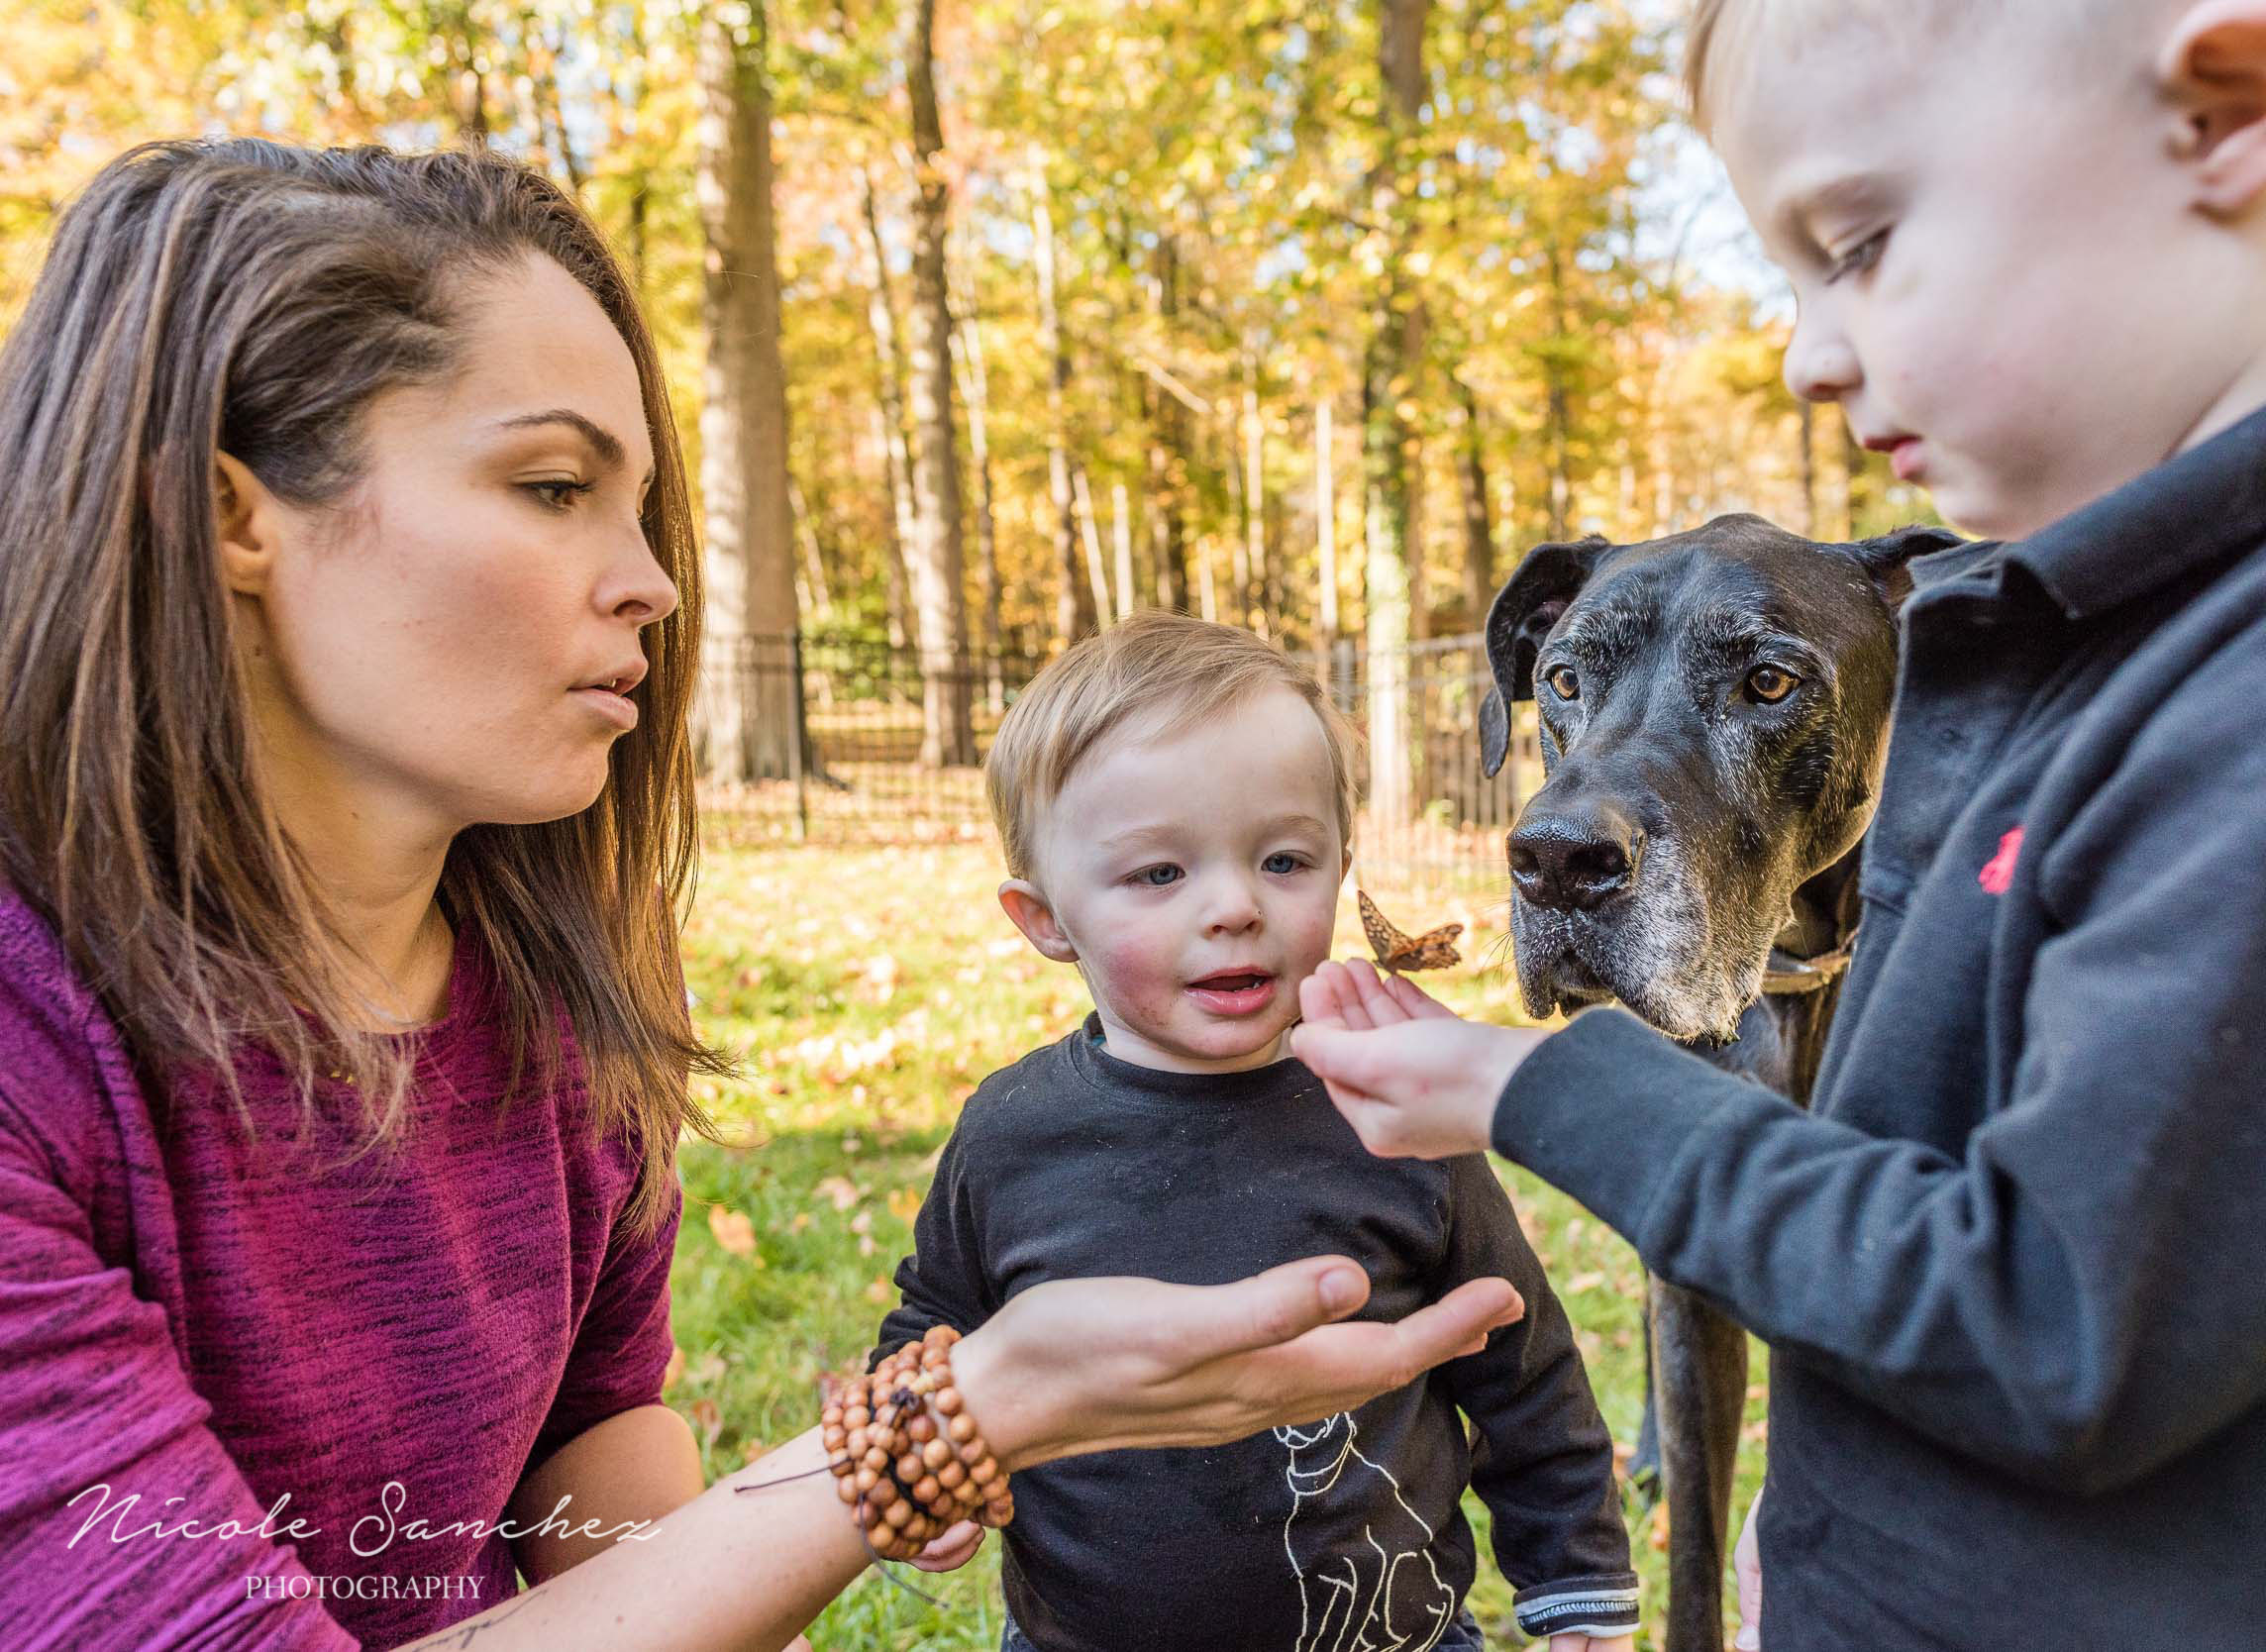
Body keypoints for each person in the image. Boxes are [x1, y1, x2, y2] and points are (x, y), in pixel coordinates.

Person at [0, 138, 1527, 1652]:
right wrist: (953, 1416)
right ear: (228, 517)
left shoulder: (547, 989)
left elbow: (592, 1439)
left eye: (640, 503)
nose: (652, 582)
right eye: (550, 486)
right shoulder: (33, 1040)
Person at [1287, 3, 2266, 1649]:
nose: (1803, 354)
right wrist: (1827, 1511)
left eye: (1859, 245)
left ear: (2224, 114)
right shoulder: (2149, 632)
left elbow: (2051, 1316)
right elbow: (1940, 1201)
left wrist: (1531, 1078)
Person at [872, 613, 1641, 1652]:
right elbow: (934, 1324)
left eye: (1283, 861)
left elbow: (1522, 1367)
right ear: (1045, 917)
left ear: (1340, 866)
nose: (1234, 906)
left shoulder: (1395, 1113)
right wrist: (922, 1462)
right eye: (1158, 874)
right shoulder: (1012, 1135)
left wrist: (1577, 1591)